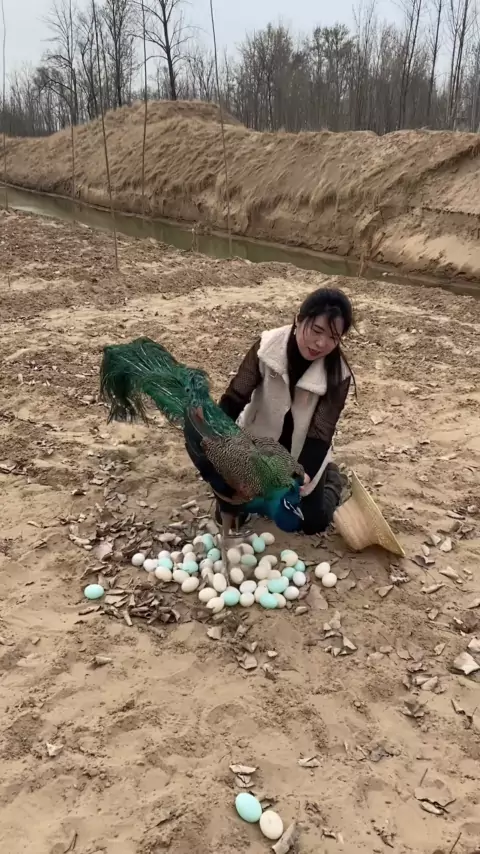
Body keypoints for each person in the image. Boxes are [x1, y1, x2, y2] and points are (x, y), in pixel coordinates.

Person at [218, 287, 355, 535]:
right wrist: (215, 437)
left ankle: (333, 478)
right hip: (257, 443)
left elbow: (320, 434)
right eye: (316, 330)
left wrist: (301, 474)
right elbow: (235, 398)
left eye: (334, 337)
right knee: (230, 514)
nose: (321, 343)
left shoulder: (338, 374)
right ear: (299, 319)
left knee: (311, 522)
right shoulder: (267, 347)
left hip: (301, 453)